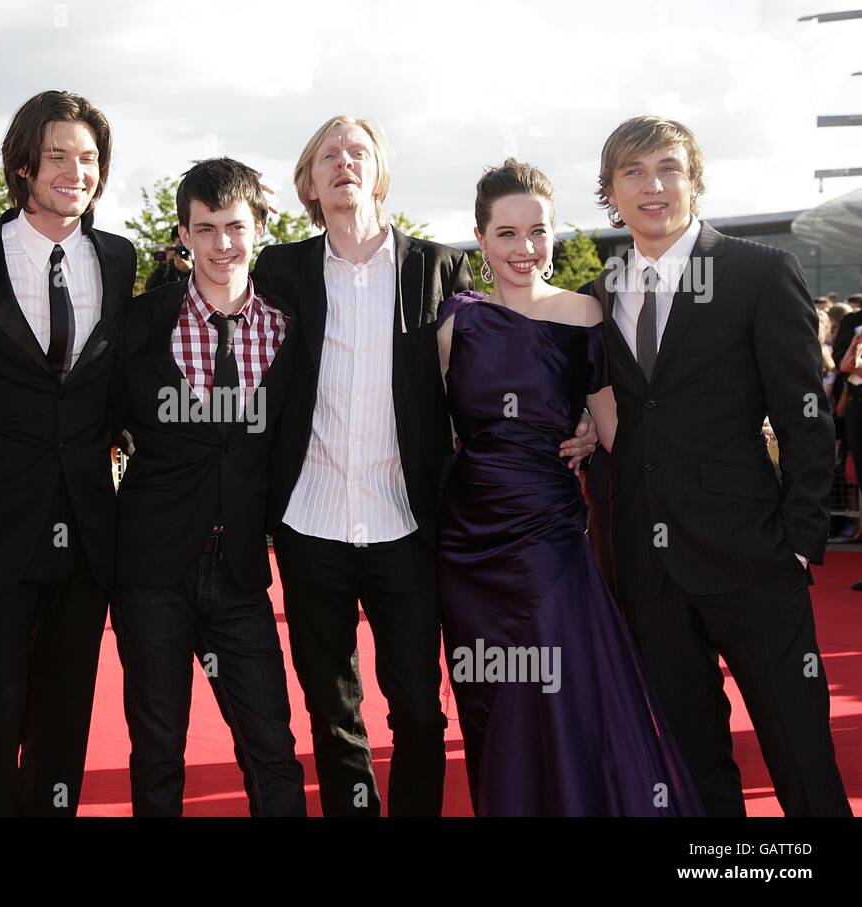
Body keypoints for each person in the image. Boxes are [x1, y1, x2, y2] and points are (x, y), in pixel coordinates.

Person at [252, 115, 597, 816]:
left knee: (417, 709)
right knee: (332, 708)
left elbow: (501, 350)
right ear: (310, 182)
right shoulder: (280, 269)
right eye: (328, 154)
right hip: (307, 521)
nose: (344, 161)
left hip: (408, 522)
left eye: (358, 150)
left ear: (378, 171)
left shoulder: (437, 267)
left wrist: (577, 408)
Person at [582, 115, 850, 816]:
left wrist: (797, 541)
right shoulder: (603, 292)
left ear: (694, 179)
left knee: (801, 756)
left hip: (754, 560)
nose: (653, 185)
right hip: (649, 570)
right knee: (692, 764)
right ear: (611, 190)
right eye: (633, 172)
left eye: (668, 167)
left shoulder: (759, 273)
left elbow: (805, 418)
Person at [435, 159, 701, 815]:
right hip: (466, 546)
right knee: (490, 700)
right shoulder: (453, 323)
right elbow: (428, 432)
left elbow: (617, 428)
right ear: (480, 238)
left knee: (560, 690)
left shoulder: (584, 311)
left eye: (538, 231)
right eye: (507, 233)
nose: (525, 249)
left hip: (548, 537)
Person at [0, 90, 137, 817]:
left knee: (65, 719)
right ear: (23, 165)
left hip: (87, 531)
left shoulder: (118, 259)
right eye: (57, 155)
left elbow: (118, 385)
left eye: (88, 158)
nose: (75, 171)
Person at [110, 158, 305, 816]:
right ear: (184, 234)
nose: (224, 244)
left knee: (272, 746)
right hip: (151, 570)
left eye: (237, 227)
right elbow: (97, 429)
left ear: (260, 227)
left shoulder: (288, 327)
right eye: (207, 228)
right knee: (158, 749)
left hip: (243, 572)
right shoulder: (138, 323)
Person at [144, 224, 193, 290]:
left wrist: (189, 272)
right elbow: (150, 291)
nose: (186, 246)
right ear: (174, 243)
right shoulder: (169, 265)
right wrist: (165, 264)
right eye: (182, 242)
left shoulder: (204, 264)